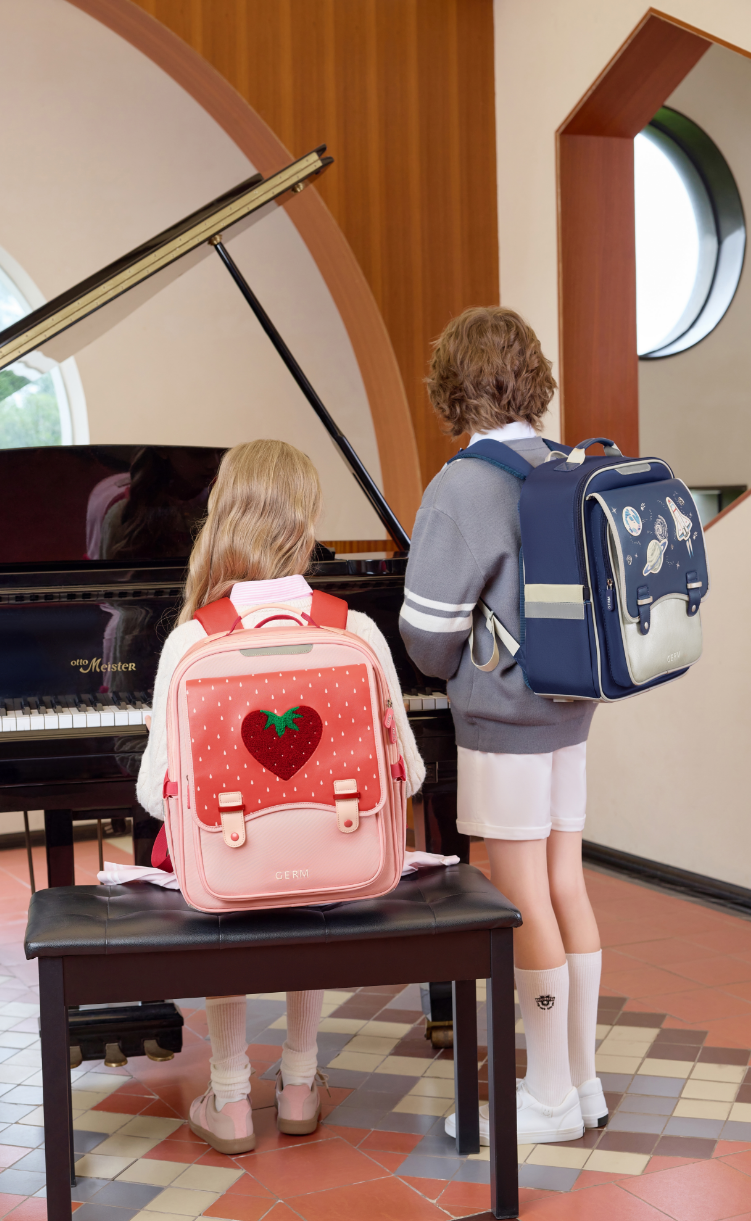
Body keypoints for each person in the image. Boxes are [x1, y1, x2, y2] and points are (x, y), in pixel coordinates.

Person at [136, 438, 425, 1155]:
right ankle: (299, 1082)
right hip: (337, 873)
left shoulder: (191, 640)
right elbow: (411, 777)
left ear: (224, 516)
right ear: (306, 520)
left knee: (222, 872)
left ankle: (230, 1097)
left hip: (227, 881)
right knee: (309, 872)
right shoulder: (353, 629)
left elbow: (153, 795)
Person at [399, 307, 604, 1145]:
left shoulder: (462, 487)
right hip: (572, 712)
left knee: (521, 894)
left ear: (452, 386)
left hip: (503, 720)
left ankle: (547, 1095)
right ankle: (582, 1080)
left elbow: (428, 638)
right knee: (566, 882)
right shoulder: (565, 466)